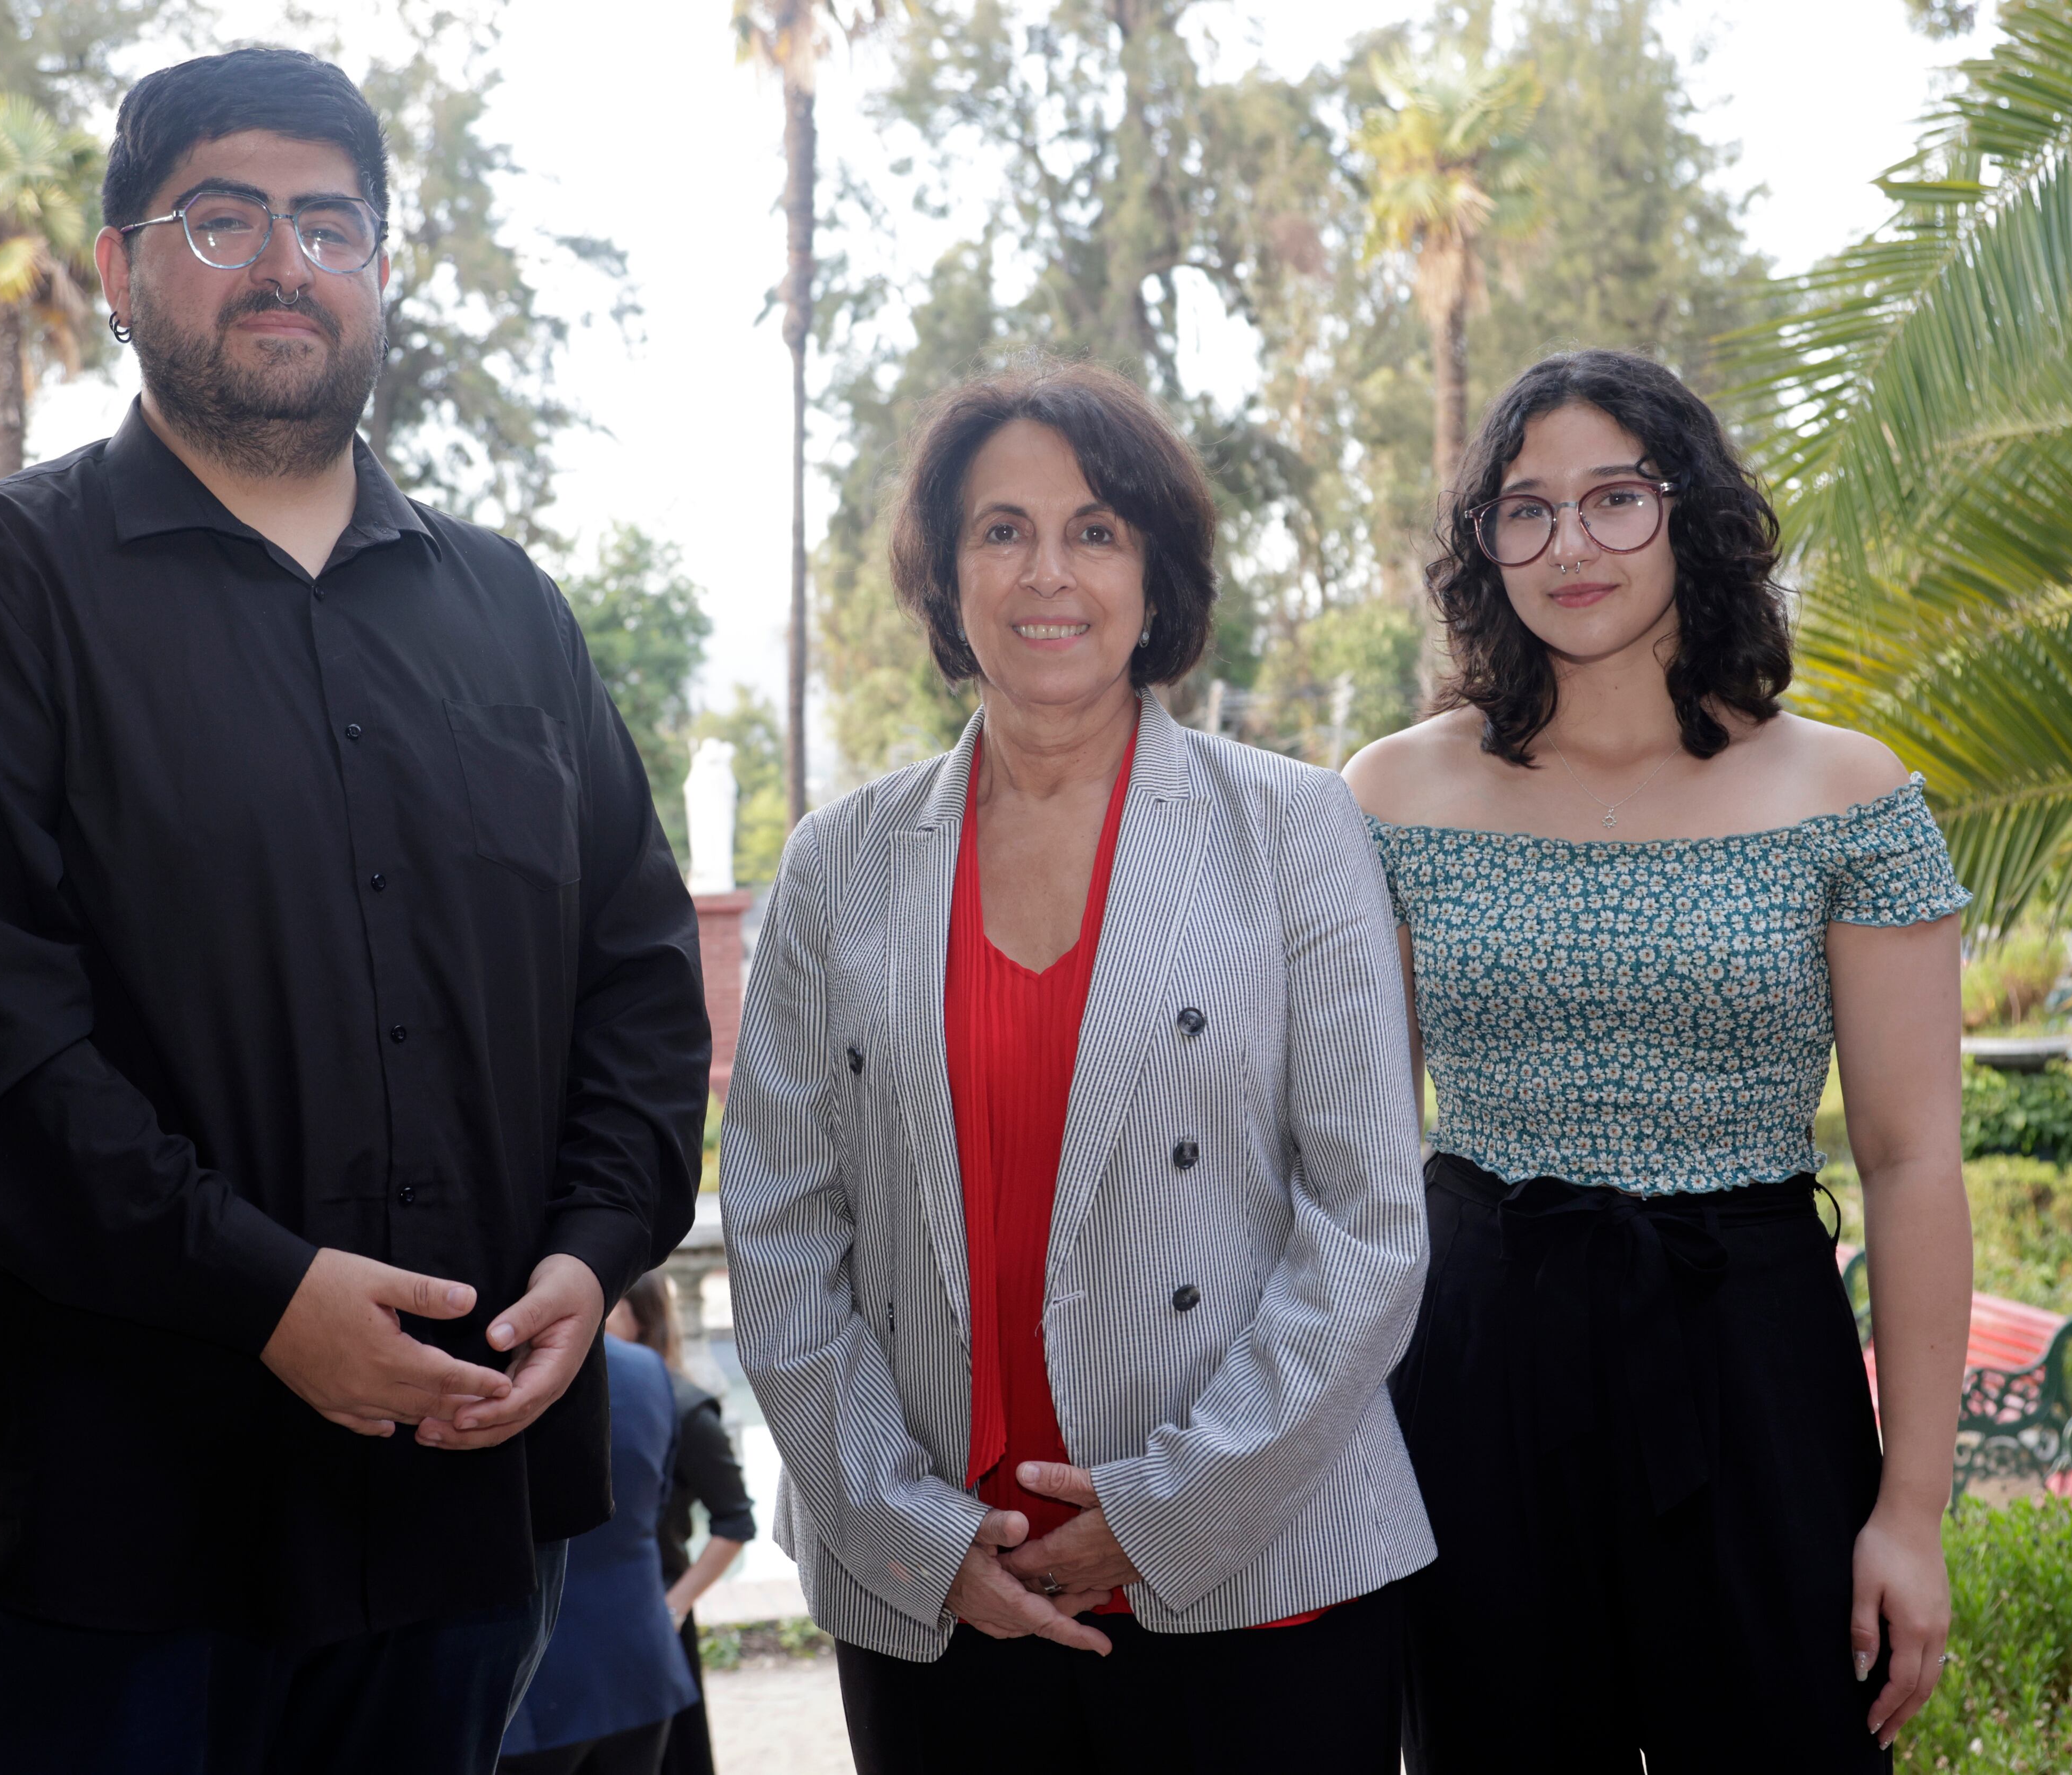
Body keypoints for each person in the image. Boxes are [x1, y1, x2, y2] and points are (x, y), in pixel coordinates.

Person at [0, 46, 711, 1775]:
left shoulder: (514, 615)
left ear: (381, 264)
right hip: (124, 1531)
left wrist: (593, 1257)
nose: (286, 261)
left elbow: (640, 978)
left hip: (466, 1522)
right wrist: (264, 1293)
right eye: (224, 220)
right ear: (118, 267)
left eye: (329, 222)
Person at [721, 359, 1433, 1775]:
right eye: (1002, 529)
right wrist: (910, 1531)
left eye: (1095, 529)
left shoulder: (1295, 829)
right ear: (946, 575)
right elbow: (780, 1230)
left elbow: (1368, 1223)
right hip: (938, 1591)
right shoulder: (836, 862)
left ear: (1157, 576)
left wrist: (1170, 1513)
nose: (1048, 572)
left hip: (1260, 1577)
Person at [1343, 348, 1973, 1774]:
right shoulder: (1387, 793)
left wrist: (1913, 1509)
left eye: (1615, 497)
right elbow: (1350, 1155)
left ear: (1692, 513)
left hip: (1754, 1355)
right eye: (1528, 508)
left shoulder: (1847, 797)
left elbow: (1914, 1157)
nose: (1571, 543)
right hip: (1478, 1361)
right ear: (1483, 545)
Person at [498, 1327, 700, 1774]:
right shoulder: (649, 1368)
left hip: (533, 1676)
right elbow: (659, 1500)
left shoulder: (484, 1369)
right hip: (640, 1657)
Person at [611, 1272, 756, 1775]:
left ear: (640, 1315)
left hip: (657, 1616)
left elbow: (736, 1523)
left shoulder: (687, 1408)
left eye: (606, 1302)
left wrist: (672, 1606)